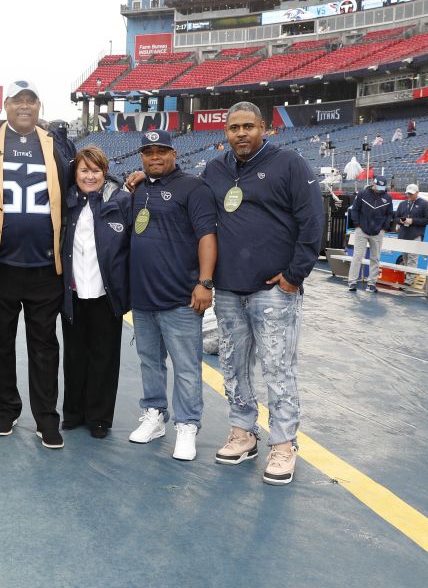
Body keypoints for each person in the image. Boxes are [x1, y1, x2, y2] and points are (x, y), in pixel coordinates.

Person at [203, 101, 323, 486]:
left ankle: (284, 442)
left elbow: (312, 220)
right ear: (225, 132)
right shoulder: (215, 169)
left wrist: (294, 276)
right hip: (228, 289)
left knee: (277, 368)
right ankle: (243, 432)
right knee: (233, 367)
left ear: (264, 128)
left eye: (248, 126)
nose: (240, 133)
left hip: (274, 290)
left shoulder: (289, 164)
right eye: (233, 127)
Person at [0, 80, 76, 449]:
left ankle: (46, 416)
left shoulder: (56, 141)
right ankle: (6, 406)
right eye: (18, 101)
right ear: (6, 106)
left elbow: (82, 179)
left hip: (46, 267)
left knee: (44, 345)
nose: (25, 107)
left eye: (31, 101)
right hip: (1, 266)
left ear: (39, 107)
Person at [122, 130, 216, 461]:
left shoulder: (193, 187)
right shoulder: (138, 188)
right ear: (141, 157)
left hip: (180, 297)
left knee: (187, 366)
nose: (155, 157)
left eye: (162, 150)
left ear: (174, 153)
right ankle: (155, 416)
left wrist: (205, 282)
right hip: (143, 296)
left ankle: (187, 425)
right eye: (148, 152)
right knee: (150, 362)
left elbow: (206, 235)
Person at [59, 146, 131, 440]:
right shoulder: (66, 202)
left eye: (95, 170)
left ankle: (99, 417)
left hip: (106, 294)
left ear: (105, 171)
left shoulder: (123, 201)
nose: (90, 176)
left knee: (104, 356)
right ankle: (73, 413)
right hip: (74, 294)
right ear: (75, 173)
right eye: (84, 170)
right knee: (74, 355)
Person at [346, 177, 394, 292]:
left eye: (382, 187)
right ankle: (352, 282)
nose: (380, 189)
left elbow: (389, 214)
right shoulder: (363, 194)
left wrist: (384, 228)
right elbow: (355, 209)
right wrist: (357, 224)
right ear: (373, 184)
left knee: (375, 258)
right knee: (358, 256)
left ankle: (372, 283)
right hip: (362, 230)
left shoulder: (387, 198)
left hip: (377, 232)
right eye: (378, 186)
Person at [394, 183, 428, 278]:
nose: (409, 195)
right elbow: (395, 217)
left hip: (416, 235)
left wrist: (412, 221)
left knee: (413, 258)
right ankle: (407, 277)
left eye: (411, 194)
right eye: (408, 193)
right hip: (404, 234)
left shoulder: (425, 204)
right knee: (405, 258)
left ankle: (409, 280)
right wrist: (400, 221)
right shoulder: (402, 204)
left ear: (417, 193)